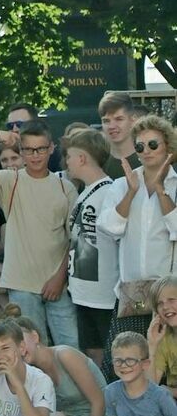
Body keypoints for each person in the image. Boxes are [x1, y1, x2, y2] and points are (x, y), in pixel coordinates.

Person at [0, 122, 78, 347]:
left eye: (41, 148)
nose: (35, 155)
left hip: (57, 284)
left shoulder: (65, 187)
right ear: (21, 152)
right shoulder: (12, 180)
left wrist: (60, 278)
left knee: (70, 349)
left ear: (51, 148)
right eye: (29, 149)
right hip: (21, 284)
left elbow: (72, 241)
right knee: (31, 350)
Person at [98, 114, 177, 372]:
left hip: (170, 294)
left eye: (153, 144)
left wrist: (162, 190)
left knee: (168, 369)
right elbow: (109, 227)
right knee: (124, 366)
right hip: (133, 294)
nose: (146, 151)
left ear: (168, 146)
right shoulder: (122, 184)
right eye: (140, 146)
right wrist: (131, 193)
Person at [12, 313, 113, 416]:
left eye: (21, 342)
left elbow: (98, 401)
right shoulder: (30, 374)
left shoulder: (65, 355)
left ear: (35, 336)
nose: (20, 350)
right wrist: (56, 415)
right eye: (14, 347)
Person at [63, 127, 119, 367]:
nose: (67, 162)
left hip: (104, 292)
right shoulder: (85, 191)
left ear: (82, 158)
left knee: (108, 352)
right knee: (92, 351)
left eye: (69, 156)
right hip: (83, 288)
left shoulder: (110, 190)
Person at [98, 91, 140, 180]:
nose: (112, 126)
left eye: (119, 119)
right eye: (106, 121)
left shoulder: (147, 160)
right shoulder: (98, 165)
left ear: (133, 120)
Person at [148, 276, 177, 400]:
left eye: (171, 300)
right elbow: (150, 386)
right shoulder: (164, 339)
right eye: (160, 303)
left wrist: (169, 391)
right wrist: (152, 345)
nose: (165, 307)